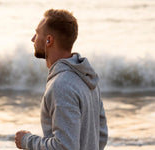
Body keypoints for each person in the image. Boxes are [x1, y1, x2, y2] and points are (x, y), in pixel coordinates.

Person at [14, 9, 108, 150]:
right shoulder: (87, 78)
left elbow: (65, 147)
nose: (33, 39)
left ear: (49, 40)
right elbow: (101, 136)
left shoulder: (61, 85)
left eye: (38, 33)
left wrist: (27, 141)